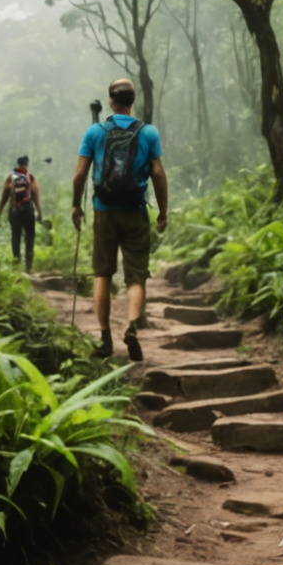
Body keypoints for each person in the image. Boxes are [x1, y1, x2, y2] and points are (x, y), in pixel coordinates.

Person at [70, 78, 168, 360]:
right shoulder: (148, 133)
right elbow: (158, 174)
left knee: (102, 273)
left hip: (104, 211)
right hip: (135, 211)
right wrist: (163, 211)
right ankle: (132, 326)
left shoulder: (95, 132)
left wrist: (76, 206)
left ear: (111, 101)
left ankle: (104, 338)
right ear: (132, 100)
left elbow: (80, 175)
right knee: (136, 276)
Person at [0, 155, 42, 273]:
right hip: (28, 211)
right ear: (26, 165)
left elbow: (4, 196)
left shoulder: (11, 178)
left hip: (14, 211)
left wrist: (0, 213)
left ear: (18, 164)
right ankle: (28, 268)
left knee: (15, 237)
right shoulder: (30, 178)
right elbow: (36, 195)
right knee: (30, 238)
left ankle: (16, 266)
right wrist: (39, 213)